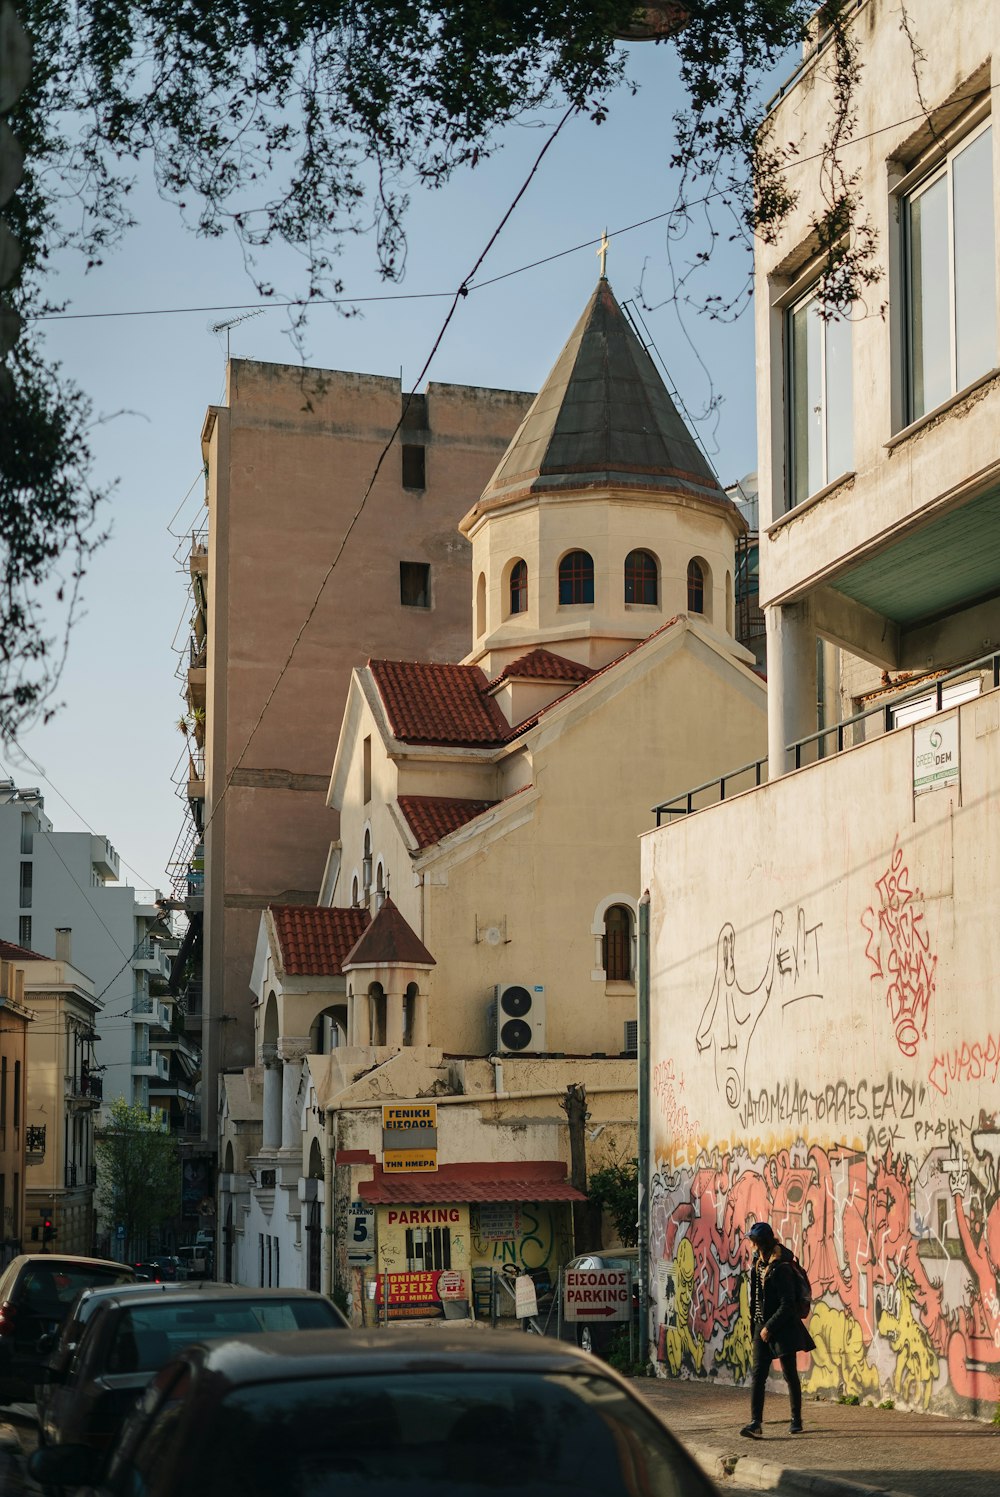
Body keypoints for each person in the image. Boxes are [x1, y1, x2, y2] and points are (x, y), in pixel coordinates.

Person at [739, 1221, 815, 1438]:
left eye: (753, 1241)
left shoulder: (781, 1267)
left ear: (760, 1243)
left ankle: (796, 1420)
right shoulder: (757, 1264)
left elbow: (788, 1303)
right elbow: (756, 1297)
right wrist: (757, 1325)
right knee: (758, 1375)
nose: (751, 1245)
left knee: (789, 1373)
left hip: (781, 1326)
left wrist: (769, 1327)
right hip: (761, 1327)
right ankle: (755, 1423)